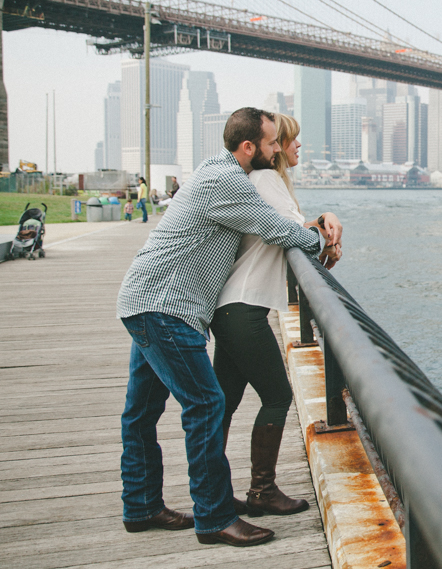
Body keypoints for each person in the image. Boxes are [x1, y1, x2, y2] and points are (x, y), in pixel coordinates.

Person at [116, 107, 342, 547]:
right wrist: (322, 239)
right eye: (273, 143)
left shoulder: (216, 171)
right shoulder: (227, 182)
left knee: (141, 414)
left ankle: (141, 505)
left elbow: (275, 222)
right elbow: (276, 229)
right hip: (166, 307)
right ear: (248, 147)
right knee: (206, 405)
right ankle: (215, 516)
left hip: (146, 299)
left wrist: (314, 223)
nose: (278, 149)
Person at [213, 113, 341, 518]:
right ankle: (262, 491)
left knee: (224, 403)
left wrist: (323, 220)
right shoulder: (266, 181)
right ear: (278, 147)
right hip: (245, 308)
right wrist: (323, 231)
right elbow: (289, 234)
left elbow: (291, 225)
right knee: (277, 395)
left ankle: (213, 493)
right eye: (292, 141)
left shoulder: (264, 184)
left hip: (233, 306)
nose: (298, 147)